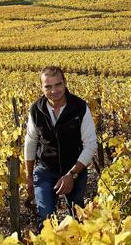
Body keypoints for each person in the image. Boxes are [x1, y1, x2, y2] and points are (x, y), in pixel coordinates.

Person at [23, 66, 98, 226]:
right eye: (48, 86)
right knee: (45, 219)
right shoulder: (36, 109)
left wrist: (72, 175)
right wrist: (29, 176)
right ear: (41, 87)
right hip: (45, 170)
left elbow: (90, 145)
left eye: (58, 84)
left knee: (78, 217)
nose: (54, 90)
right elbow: (31, 141)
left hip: (75, 169)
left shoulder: (79, 107)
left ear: (65, 83)